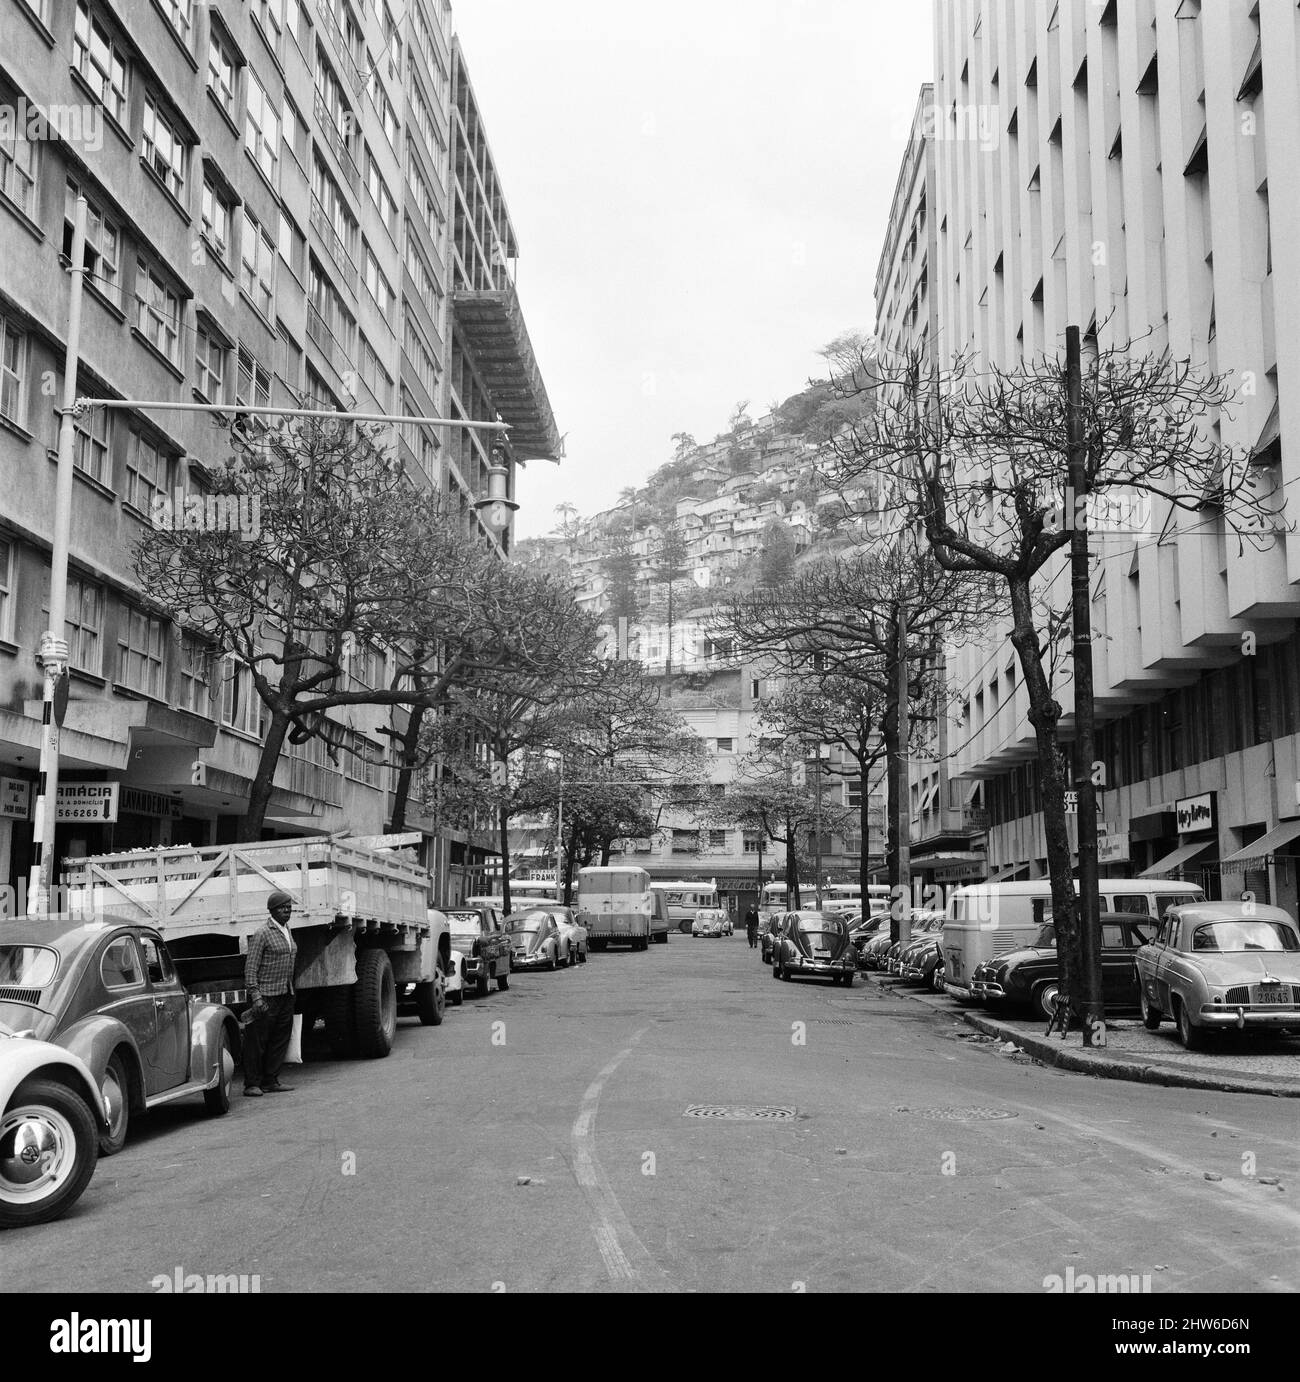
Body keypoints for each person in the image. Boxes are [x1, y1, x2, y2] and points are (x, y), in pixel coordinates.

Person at [243, 890, 299, 1097]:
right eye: (282, 907)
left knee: (280, 1038)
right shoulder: (262, 933)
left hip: (285, 993)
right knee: (257, 1041)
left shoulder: (286, 930)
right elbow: (251, 968)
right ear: (272, 910)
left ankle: (271, 1080)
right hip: (266, 995)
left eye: (289, 907)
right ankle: (252, 1084)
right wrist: (256, 996)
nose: (287, 910)